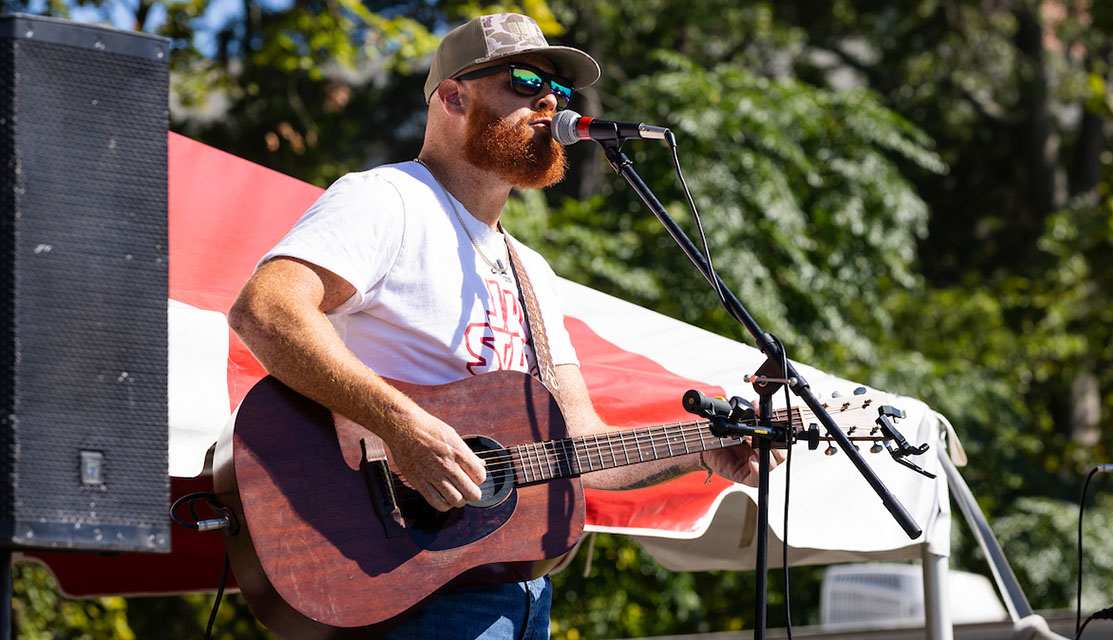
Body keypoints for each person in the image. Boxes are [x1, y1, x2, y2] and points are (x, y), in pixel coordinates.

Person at [228, 12, 782, 639]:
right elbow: (266, 310)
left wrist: (700, 446)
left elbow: (578, 450)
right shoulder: (387, 200)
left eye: (560, 92)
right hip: (397, 581)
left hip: (518, 595)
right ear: (452, 96)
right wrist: (404, 427)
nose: (550, 102)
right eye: (524, 81)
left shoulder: (532, 272)